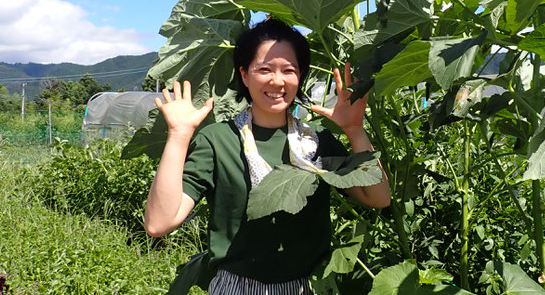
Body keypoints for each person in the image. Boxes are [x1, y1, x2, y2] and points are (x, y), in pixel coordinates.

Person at [144, 18, 390, 294]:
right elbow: (158, 223)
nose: (277, 80)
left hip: (307, 286)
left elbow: (378, 197)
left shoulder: (317, 141)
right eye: (264, 69)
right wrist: (178, 135)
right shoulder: (217, 140)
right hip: (236, 287)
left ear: (300, 76)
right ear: (245, 75)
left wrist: (355, 131)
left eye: (289, 70)